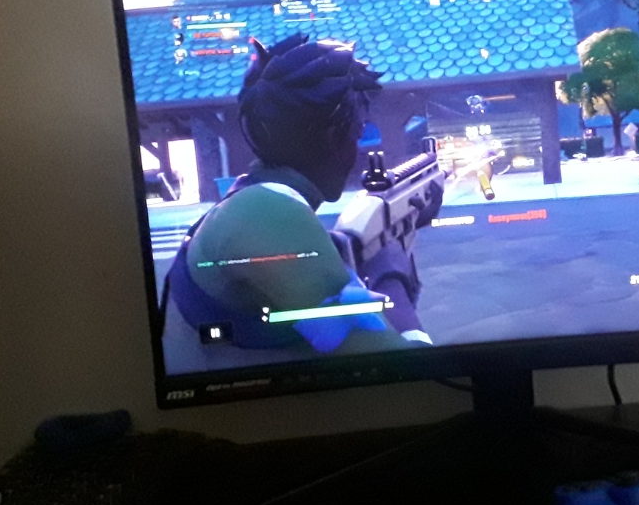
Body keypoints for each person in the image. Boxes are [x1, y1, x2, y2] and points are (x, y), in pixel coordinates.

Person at [161, 33, 443, 370]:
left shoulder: (250, 203)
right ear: (334, 138)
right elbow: (407, 372)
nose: (356, 152)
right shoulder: (267, 214)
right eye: (357, 134)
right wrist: (391, 273)